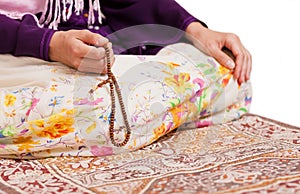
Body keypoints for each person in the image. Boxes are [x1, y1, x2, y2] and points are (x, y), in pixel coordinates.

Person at [0, 0, 252, 158]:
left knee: (224, 66)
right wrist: (50, 44)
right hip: (17, 54)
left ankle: (132, 119)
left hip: (96, 49)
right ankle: (151, 116)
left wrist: (195, 31)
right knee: (88, 111)